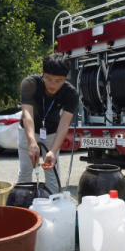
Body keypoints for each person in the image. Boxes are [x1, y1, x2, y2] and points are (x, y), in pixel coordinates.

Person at [18, 53, 79, 195]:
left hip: (52, 132)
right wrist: (32, 142)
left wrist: (52, 151)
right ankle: (22, 205)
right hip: (28, 130)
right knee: (26, 169)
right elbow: (28, 115)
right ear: (42, 73)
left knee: (52, 170)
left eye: (59, 80)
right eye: (49, 79)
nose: (53, 85)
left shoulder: (71, 93)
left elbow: (64, 124)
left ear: (66, 77)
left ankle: (53, 207)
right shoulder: (29, 84)